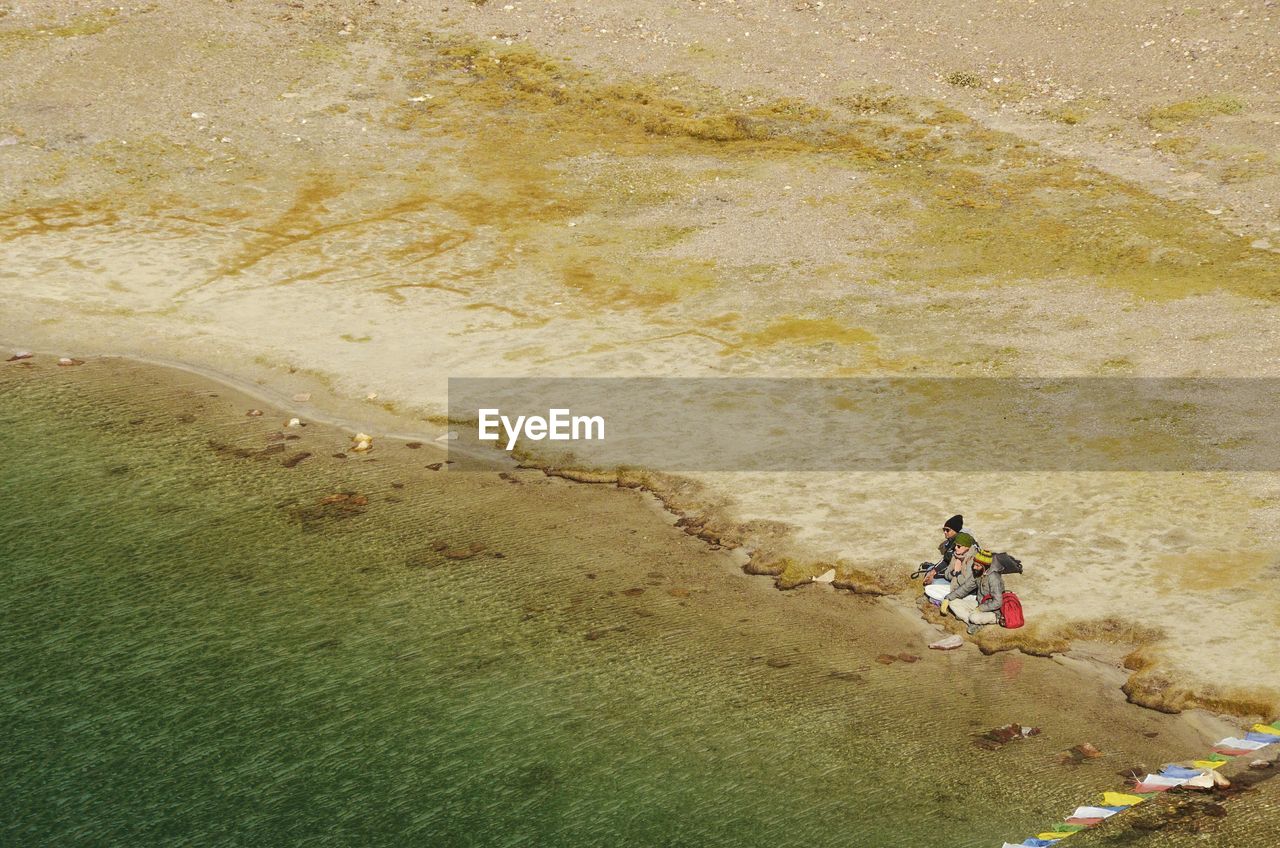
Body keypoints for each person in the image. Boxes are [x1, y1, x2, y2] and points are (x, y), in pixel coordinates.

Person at [940, 547, 1004, 634]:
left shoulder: (993, 578)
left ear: (985, 567)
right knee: (952, 602)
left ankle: (990, 620)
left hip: (994, 611)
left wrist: (981, 608)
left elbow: (998, 602)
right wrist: (948, 598)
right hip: (979, 603)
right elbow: (965, 588)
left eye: (977, 566)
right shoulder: (978, 573)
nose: (974, 567)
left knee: (974, 617)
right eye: (974, 564)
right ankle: (972, 623)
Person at [920, 515, 971, 585]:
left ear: (956, 531)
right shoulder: (952, 540)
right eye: (944, 530)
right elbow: (946, 559)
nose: (945, 532)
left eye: (947, 530)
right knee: (930, 570)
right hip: (951, 571)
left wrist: (934, 574)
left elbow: (951, 568)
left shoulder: (961, 544)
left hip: (961, 577)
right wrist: (933, 571)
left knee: (935, 582)